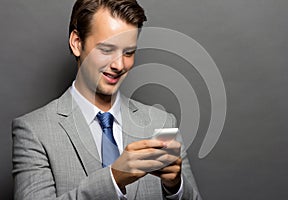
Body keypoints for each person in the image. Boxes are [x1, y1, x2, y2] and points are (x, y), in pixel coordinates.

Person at [12, 0, 201, 199]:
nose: (119, 65)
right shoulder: (34, 131)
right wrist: (114, 178)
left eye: (128, 52)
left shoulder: (162, 123)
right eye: (106, 49)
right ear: (77, 43)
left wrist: (175, 187)